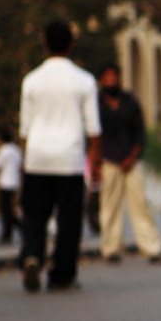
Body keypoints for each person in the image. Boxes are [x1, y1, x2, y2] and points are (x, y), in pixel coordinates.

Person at [18, 21, 101, 292]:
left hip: (37, 158)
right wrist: (96, 163)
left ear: (44, 44)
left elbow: (25, 131)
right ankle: (62, 275)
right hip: (70, 159)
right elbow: (93, 129)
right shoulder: (84, 80)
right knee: (68, 220)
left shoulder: (31, 80)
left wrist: (25, 162)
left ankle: (32, 255)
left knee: (34, 216)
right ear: (71, 46)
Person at [97, 63, 161, 264]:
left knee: (140, 204)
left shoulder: (130, 101)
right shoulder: (96, 103)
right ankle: (111, 249)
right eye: (106, 77)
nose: (110, 80)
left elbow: (140, 133)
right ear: (102, 80)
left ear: (119, 78)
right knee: (109, 206)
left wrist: (131, 157)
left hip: (131, 161)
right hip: (107, 160)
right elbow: (93, 134)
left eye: (114, 76)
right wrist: (95, 161)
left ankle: (151, 247)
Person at [0, 130, 23, 245]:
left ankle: (13, 232)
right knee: (8, 209)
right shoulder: (16, 150)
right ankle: (8, 234)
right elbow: (21, 167)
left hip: (5, 183)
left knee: (5, 210)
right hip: (14, 182)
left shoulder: (3, 150)